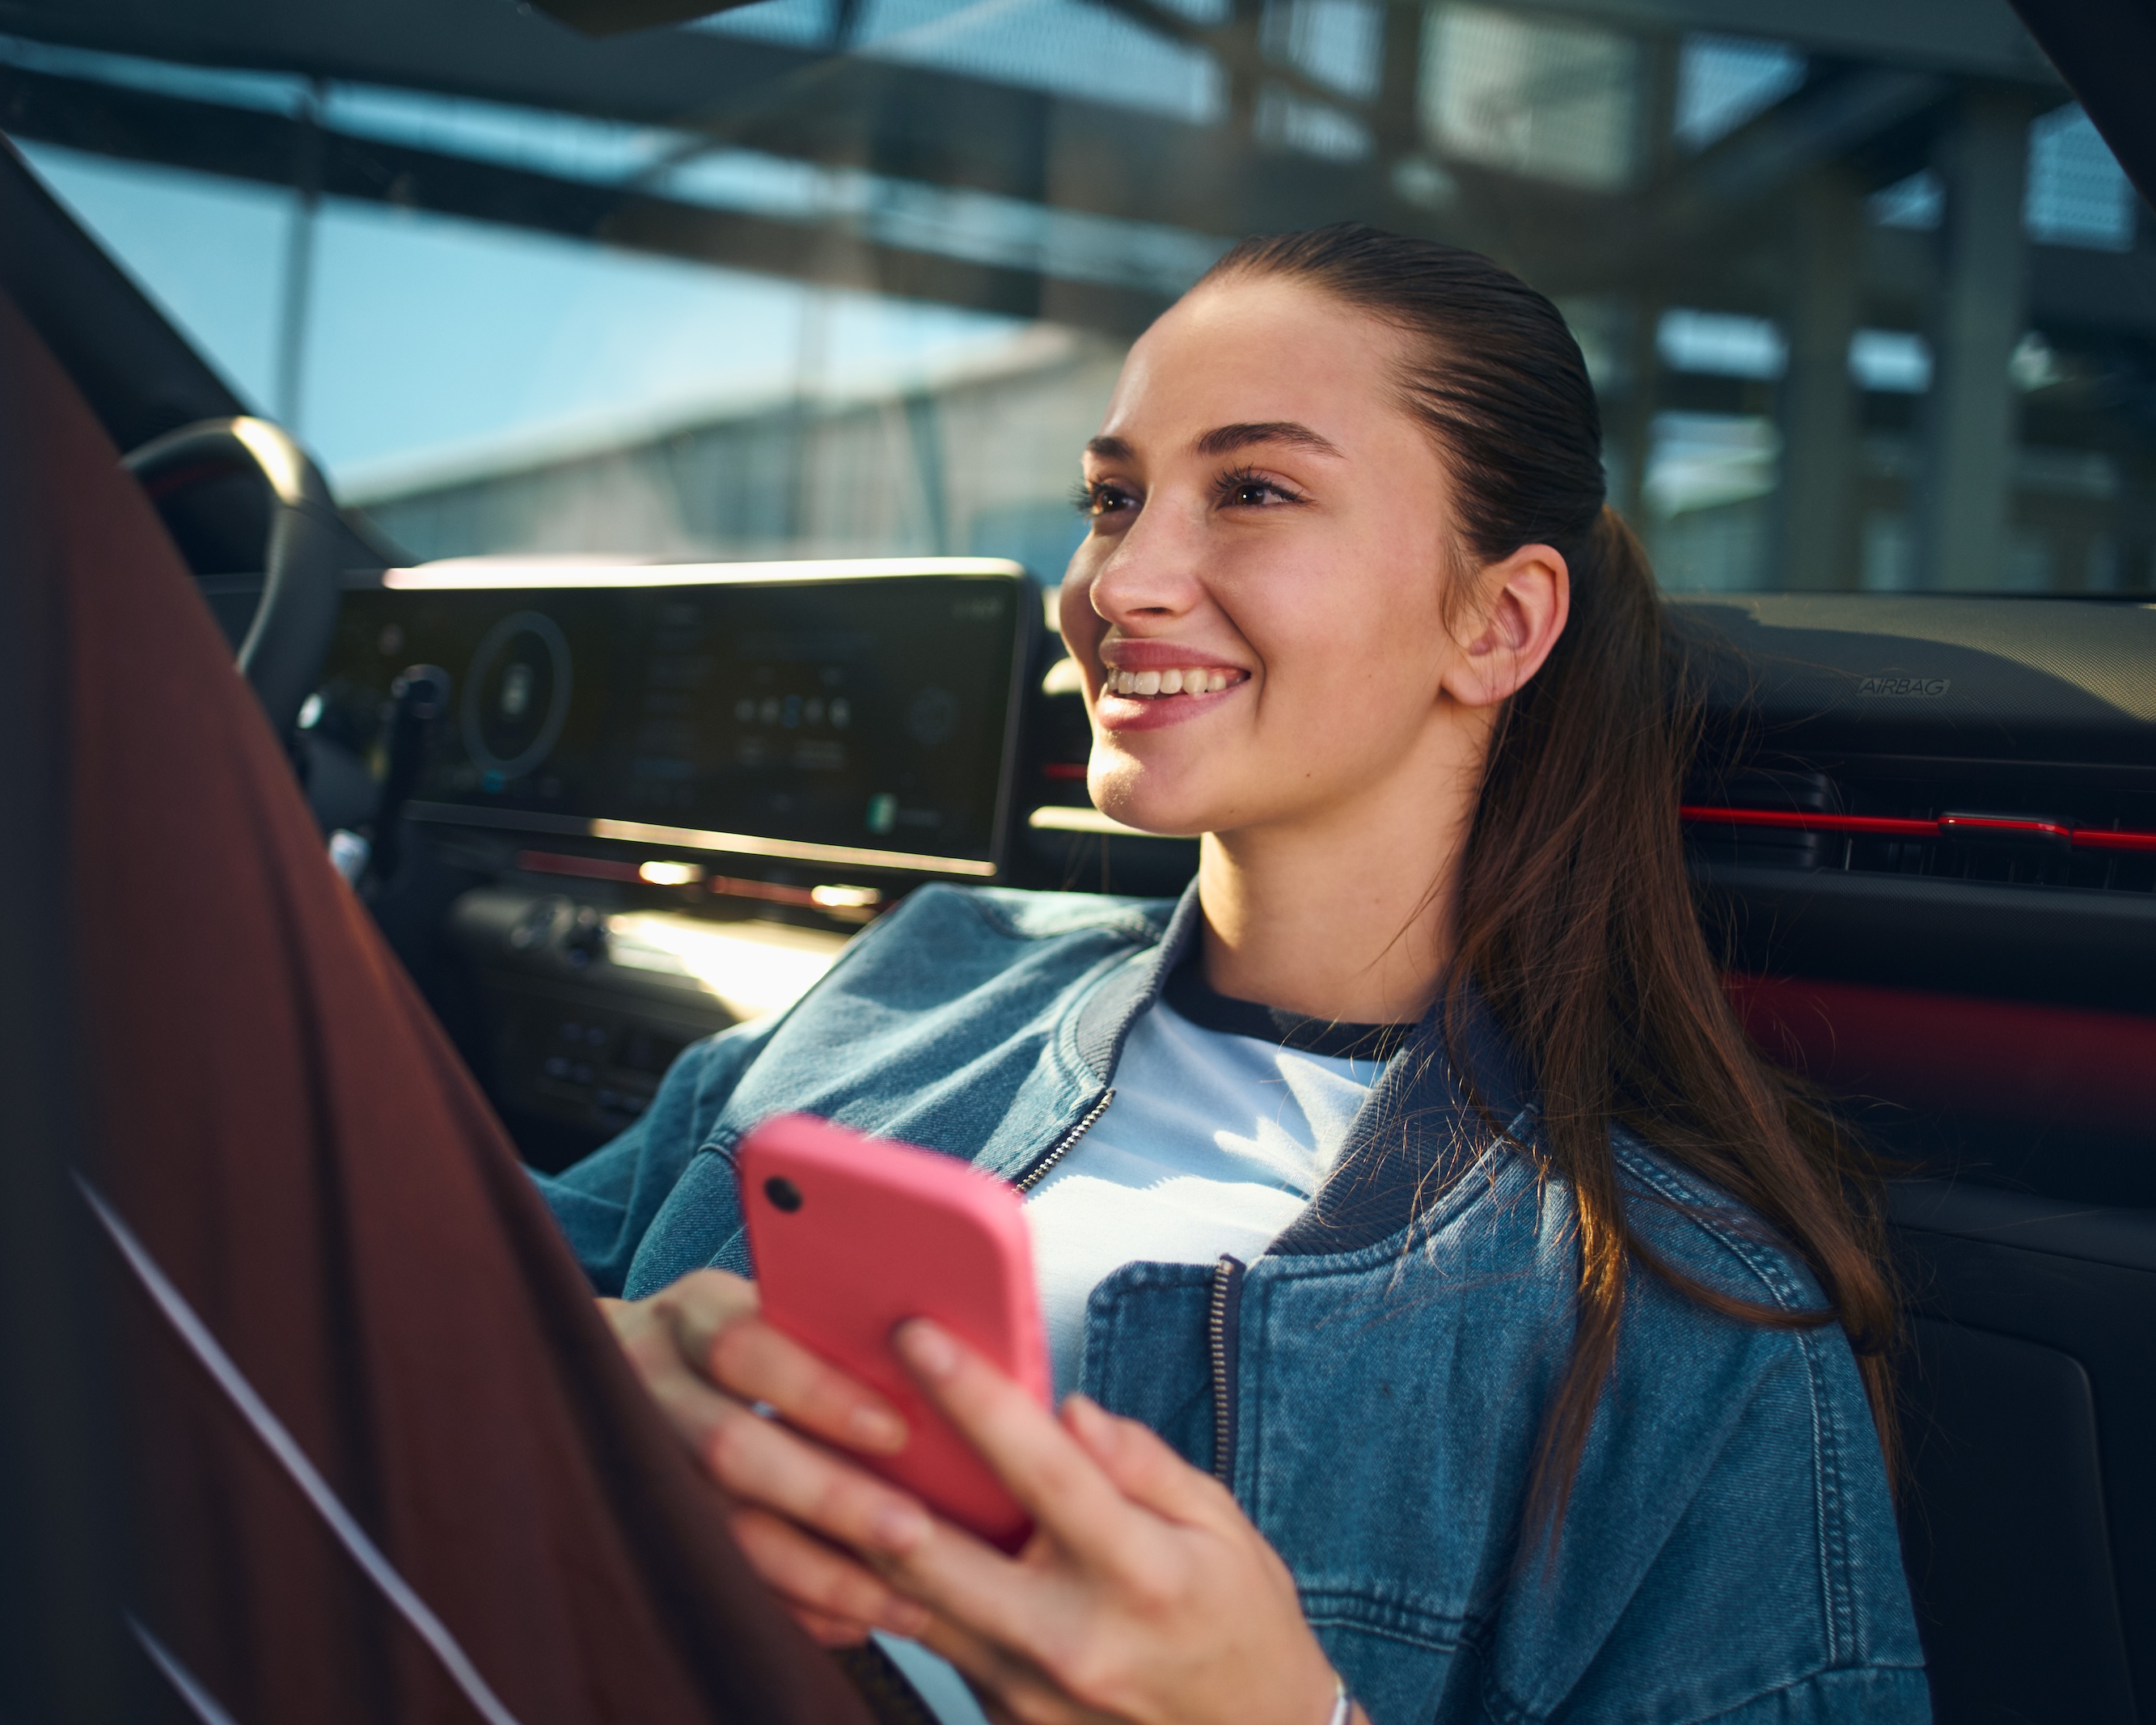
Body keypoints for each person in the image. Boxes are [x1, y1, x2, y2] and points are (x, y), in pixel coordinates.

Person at [543, 225, 1929, 1725]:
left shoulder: (1685, 1317)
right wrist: (584, 1370)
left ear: (1499, 622)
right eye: (1112, 500)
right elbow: (426, 1287)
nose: (1120, 581)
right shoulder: (925, 973)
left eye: (1254, 491)